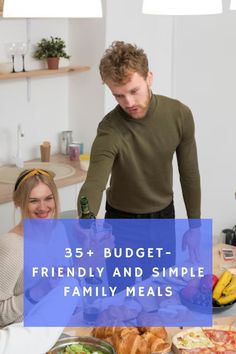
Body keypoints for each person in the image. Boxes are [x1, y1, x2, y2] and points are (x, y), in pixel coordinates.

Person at [78, 41, 201, 263]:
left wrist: (195, 227)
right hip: (121, 223)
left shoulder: (179, 115)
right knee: (120, 295)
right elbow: (94, 182)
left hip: (163, 218)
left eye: (134, 91)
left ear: (149, 78)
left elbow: (189, 174)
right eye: (119, 95)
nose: (129, 102)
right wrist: (85, 224)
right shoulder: (110, 129)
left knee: (160, 292)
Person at [0, 168, 60, 326]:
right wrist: (38, 291)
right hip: (20, 339)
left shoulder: (56, 232)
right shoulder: (11, 248)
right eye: (33, 201)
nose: (43, 207)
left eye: (48, 198)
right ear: (18, 202)